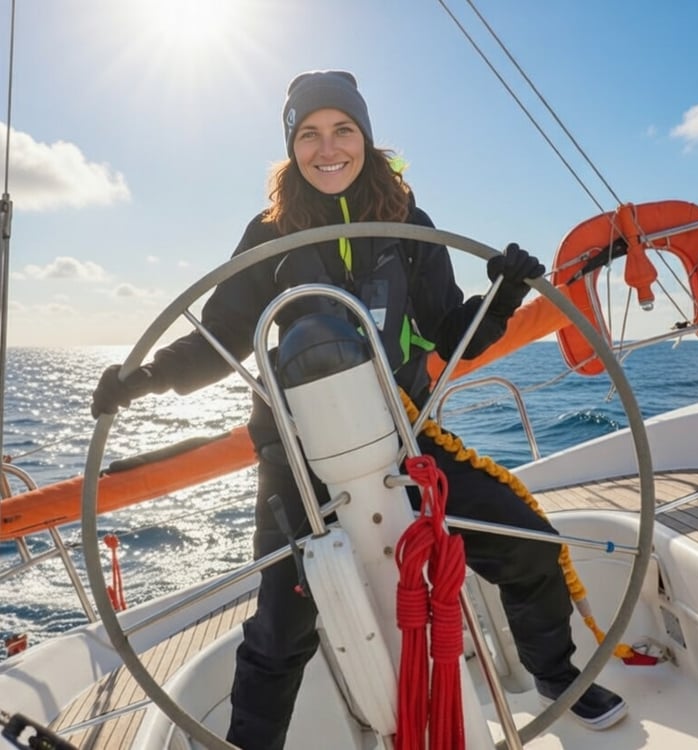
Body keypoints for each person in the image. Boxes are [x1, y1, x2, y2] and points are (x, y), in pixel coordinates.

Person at [91, 70, 627, 749]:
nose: (328, 147)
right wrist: (137, 381)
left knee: (526, 542)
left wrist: (501, 298)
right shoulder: (267, 234)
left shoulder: (408, 225)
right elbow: (218, 338)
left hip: (400, 430)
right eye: (309, 134)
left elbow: (447, 331)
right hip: (295, 452)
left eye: (342, 129)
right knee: (284, 623)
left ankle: (556, 674)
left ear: (366, 139)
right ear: (293, 149)